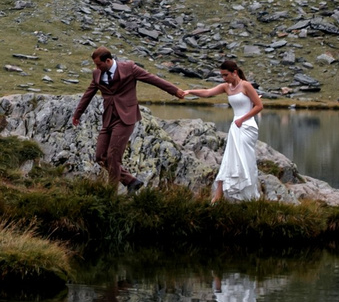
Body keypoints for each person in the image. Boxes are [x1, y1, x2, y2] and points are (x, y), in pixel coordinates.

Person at [67, 46, 187, 189]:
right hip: (108, 118)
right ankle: (130, 181)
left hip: (125, 118)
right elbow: (88, 94)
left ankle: (111, 194)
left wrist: (175, 91)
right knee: (100, 156)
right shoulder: (97, 74)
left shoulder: (129, 68)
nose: (96, 67)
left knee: (113, 157)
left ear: (108, 60)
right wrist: (77, 114)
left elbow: (153, 79)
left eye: (99, 64)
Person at [183, 58, 264, 202]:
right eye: (222, 75)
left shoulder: (246, 85)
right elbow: (207, 93)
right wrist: (190, 91)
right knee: (229, 159)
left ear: (234, 72)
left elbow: (259, 106)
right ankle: (220, 196)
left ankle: (247, 196)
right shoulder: (226, 87)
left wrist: (242, 119)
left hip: (246, 126)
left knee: (244, 160)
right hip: (236, 126)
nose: (224, 78)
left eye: (225, 75)